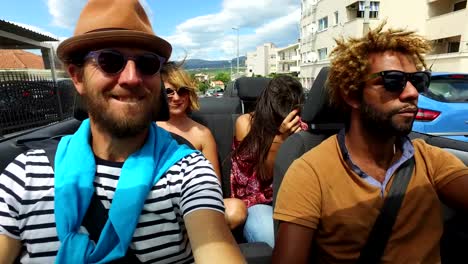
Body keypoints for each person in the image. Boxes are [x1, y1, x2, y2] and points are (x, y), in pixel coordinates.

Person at [0, 0, 245, 263]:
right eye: (109, 60)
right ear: (77, 77)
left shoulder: (188, 171)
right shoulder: (25, 176)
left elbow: (215, 246)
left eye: (148, 64)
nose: (132, 78)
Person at [273, 23, 468, 263]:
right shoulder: (310, 173)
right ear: (352, 94)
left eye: (417, 81)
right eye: (393, 80)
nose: (412, 93)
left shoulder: (430, 160)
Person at [156, 62, 247, 230]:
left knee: (236, 209)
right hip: (156, 202)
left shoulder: (202, 134)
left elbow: (213, 186)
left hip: (194, 203)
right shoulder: (147, 130)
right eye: (169, 92)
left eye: (182, 91)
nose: (176, 98)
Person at [230, 75, 307, 247]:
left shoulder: (300, 125)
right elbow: (264, 175)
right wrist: (280, 138)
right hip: (257, 201)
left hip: (293, 198)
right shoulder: (247, 124)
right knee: (276, 242)